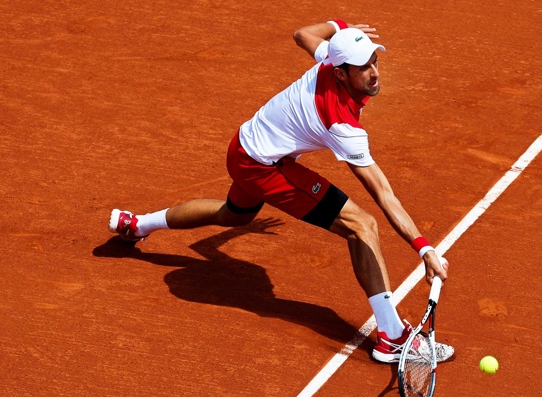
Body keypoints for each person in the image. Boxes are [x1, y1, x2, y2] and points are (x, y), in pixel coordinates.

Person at [109, 19, 454, 363]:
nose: (374, 72)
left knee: (232, 215)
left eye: (374, 61)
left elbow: (302, 34)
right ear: (340, 74)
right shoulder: (339, 123)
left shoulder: (327, 62)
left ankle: (136, 225)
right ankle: (391, 339)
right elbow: (383, 193)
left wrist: (342, 27)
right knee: (361, 225)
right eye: (363, 67)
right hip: (262, 165)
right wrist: (423, 247)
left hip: (243, 145)